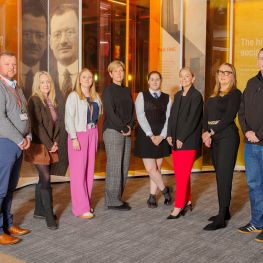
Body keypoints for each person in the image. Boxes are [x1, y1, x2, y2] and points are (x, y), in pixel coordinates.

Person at [202, 63, 241, 230]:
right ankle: (224, 211)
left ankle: (221, 217)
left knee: (225, 176)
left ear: (233, 76)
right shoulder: (212, 95)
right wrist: (205, 132)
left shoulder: (235, 94)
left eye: (228, 72)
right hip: (214, 138)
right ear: (217, 75)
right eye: (221, 72)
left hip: (227, 137)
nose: (223, 75)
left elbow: (228, 117)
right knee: (220, 175)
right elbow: (205, 116)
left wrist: (211, 131)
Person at [0, 51, 31, 245]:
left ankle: (8, 224)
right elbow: (0, 120)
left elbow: (24, 113)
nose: (12, 67)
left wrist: (27, 136)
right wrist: (20, 139)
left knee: (11, 187)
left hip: (19, 143)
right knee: (1, 188)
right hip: (5, 143)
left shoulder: (16, 87)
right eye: (7, 64)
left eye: (14, 64)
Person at [166, 67, 203, 219]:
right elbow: (172, 117)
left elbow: (193, 120)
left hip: (187, 141)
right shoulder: (178, 95)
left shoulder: (197, 96)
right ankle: (187, 200)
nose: (184, 78)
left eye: (187, 76)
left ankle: (178, 206)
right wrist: (169, 134)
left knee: (181, 175)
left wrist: (181, 137)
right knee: (182, 173)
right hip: (175, 140)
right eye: (181, 76)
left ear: (193, 78)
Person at [65, 68, 102, 219]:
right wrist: (73, 138)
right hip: (78, 135)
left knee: (89, 171)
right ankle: (80, 208)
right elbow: (69, 118)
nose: (87, 79)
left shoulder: (96, 96)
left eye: (90, 77)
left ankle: (86, 203)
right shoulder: (74, 96)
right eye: (84, 77)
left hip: (92, 133)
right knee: (78, 173)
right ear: (79, 80)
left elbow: (98, 116)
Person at [24, 71, 59, 230]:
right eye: (42, 82)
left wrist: (56, 141)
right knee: (46, 178)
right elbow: (37, 126)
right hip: (39, 146)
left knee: (42, 179)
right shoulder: (34, 100)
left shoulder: (51, 101)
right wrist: (49, 143)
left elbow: (57, 123)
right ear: (37, 84)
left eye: (48, 82)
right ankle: (49, 214)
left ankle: (39, 210)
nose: (46, 85)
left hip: (51, 145)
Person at [49, 4, 79, 176]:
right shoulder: (43, 81)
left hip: (81, 143)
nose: (63, 40)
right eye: (57, 34)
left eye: (69, 31)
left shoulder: (87, 78)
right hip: (55, 147)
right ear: (50, 41)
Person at [134, 71, 172, 208]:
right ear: (148, 81)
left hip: (161, 135)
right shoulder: (141, 96)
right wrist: (151, 135)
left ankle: (152, 196)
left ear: (161, 81)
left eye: (157, 79)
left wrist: (162, 136)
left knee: (158, 168)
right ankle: (165, 190)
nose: (155, 82)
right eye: (152, 79)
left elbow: (169, 118)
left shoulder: (168, 98)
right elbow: (140, 116)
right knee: (151, 169)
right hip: (146, 136)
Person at [238, 48, 263, 243]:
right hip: (250, 144)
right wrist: (247, 131)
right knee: (254, 185)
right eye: (261, 58)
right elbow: (242, 110)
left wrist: (259, 134)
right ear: (257, 61)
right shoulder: (251, 83)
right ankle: (257, 221)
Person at [102, 60, 134, 211]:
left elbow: (132, 111)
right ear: (110, 74)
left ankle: (117, 197)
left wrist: (130, 126)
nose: (119, 73)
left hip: (126, 130)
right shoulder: (108, 91)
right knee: (114, 166)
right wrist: (123, 127)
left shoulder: (127, 90)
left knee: (124, 165)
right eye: (116, 71)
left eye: (121, 70)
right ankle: (112, 201)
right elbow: (111, 112)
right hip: (113, 131)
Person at [21, 4, 47, 100]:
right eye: (27, 34)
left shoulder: (52, 75)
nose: (33, 42)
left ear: (47, 41)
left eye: (40, 35)